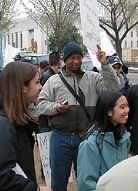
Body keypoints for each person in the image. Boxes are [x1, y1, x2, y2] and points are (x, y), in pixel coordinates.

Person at [37, 41, 121, 191]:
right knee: (58, 181)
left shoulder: (93, 78)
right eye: (72, 58)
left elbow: (114, 90)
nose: (76, 61)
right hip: (60, 137)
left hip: (86, 138)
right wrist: (56, 107)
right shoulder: (54, 81)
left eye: (79, 57)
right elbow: (41, 104)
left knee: (86, 180)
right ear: (65, 59)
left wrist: (105, 65)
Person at [0, 62, 51, 191]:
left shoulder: (14, 121)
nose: (40, 87)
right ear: (22, 87)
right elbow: (1, 178)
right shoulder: (1, 125)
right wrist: (35, 189)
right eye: (37, 82)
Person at [77, 90, 130, 191]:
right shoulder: (90, 144)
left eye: (127, 106)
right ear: (109, 111)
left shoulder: (124, 138)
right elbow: (86, 184)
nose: (127, 110)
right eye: (122, 107)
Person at [38, 52, 61, 180]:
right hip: (46, 120)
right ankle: (45, 173)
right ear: (60, 61)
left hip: (47, 119)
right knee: (46, 151)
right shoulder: (49, 77)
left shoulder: (49, 75)